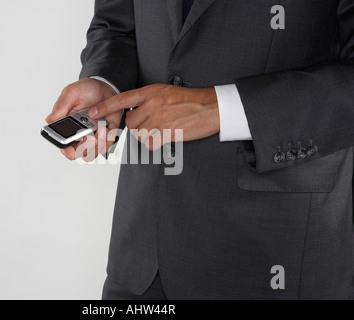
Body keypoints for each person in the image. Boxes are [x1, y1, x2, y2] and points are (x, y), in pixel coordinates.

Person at [46, 0, 354, 300]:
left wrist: (222, 108)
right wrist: (107, 83)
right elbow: (117, 27)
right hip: (141, 259)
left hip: (272, 256)